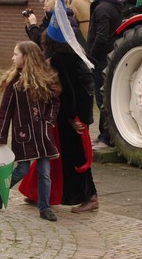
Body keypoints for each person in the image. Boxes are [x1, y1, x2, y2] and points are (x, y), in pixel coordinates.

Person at [0, 40, 62, 221]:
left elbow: (54, 102)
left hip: (43, 134)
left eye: (16, 54)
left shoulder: (45, 79)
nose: (12, 58)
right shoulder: (14, 84)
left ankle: (44, 208)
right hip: (24, 135)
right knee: (22, 169)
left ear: (27, 57)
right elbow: (5, 112)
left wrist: (49, 121)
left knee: (44, 173)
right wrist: (0, 138)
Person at [40, 15, 99, 213]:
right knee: (68, 155)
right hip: (72, 113)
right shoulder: (72, 53)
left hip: (71, 115)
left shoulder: (61, 58)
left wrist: (72, 118)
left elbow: (69, 90)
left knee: (77, 156)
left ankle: (90, 196)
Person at [85, 0, 125, 148]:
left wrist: (90, 57)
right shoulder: (112, 4)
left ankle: (106, 138)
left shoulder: (103, 8)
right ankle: (104, 134)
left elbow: (101, 37)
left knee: (103, 99)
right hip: (107, 58)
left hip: (101, 61)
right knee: (104, 98)